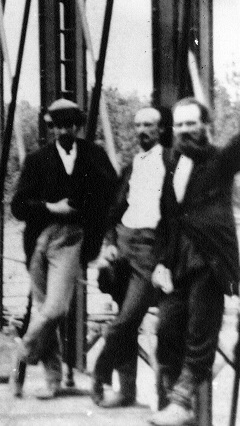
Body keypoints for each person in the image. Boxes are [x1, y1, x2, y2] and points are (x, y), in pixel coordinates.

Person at [10, 98, 118, 399]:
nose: (64, 130)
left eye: (70, 124)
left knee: (56, 308)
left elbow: (113, 198)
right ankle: (53, 381)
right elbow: (18, 206)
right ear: (51, 127)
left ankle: (22, 352)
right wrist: (49, 207)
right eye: (58, 125)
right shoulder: (37, 160)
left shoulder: (94, 156)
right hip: (38, 241)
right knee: (46, 312)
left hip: (72, 239)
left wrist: (101, 233)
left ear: (78, 125)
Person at [148, 97, 240, 426]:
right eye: (180, 124)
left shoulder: (220, 161)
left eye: (192, 123)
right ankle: (178, 403)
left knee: (201, 330)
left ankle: (181, 400)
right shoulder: (172, 164)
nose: (186, 130)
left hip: (210, 258)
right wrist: (160, 261)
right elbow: (166, 219)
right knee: (166, 326)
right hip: (177, 261)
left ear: (205, 125)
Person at [92, 107, 170, 408]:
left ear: (161, 129)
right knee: (124, 315)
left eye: (149, 125)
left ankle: (100, 370)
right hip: (124, 243)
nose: (142, 131)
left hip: (150, 248)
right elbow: (113, 212)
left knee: (128, 318)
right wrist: (110, 243)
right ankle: (126, 391)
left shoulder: (172, 162)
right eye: (138, 125)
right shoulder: (131, 166)